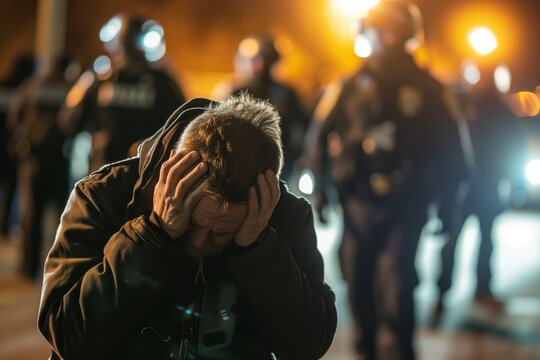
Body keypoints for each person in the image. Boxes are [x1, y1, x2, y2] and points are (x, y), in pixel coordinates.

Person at [38, 94, 337, 359]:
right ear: (174, 173)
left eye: (222, 233)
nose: (200, 243)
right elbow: (68, 337)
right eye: (193, 224)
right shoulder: (102, 196)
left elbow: (306, 347)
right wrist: (153, 234)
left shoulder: (286, 215)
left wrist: (259, 250)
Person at [304, 1, 463, 358]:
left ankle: (401, 350)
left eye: (373, 31)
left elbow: (454, 153)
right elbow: (318, 137)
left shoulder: (430, 89)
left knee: (397, 281)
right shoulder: (348, 85)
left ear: (391, 34)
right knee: (357, 281)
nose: (368, 39)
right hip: (358, 202)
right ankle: (366, 349)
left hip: (408, 203)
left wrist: (449, 208)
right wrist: (320, 192)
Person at [435, 64, 522, 314]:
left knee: (482, 240)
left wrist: (511, 180)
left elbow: (512, 145)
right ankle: (444, 292)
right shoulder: (464, 105)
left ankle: (480, 290)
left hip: (484, 185)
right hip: (466, 186)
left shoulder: (496, 108)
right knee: (455, 241)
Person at [59, 14, 186, 173]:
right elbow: (185, 123)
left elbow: (69, 121)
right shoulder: (163, 82)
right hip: (146, 175)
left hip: (103, 176)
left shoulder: (101, 78)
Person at [6, 55, 79, 279]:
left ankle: (28, 268)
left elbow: (14, 117)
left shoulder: (33, 86)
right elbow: (76, 120)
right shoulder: (71, 89)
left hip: (32, 159)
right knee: (64, 217)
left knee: (30, 216)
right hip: (59, 160)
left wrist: (25, 135)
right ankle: (60, 270)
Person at [214, 34, 309, 184]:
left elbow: (303, 125)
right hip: (242, 167)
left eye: (262, 58)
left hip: (283, 165)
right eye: (253, 59)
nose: (258, 64)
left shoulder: (287, 92)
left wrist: (301, 156)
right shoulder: (234, 90)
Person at [0, 54, 36, 238]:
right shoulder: (27, 90)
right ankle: (5, 226)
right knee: (11, 185)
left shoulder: (3, 84)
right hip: (12, 146)